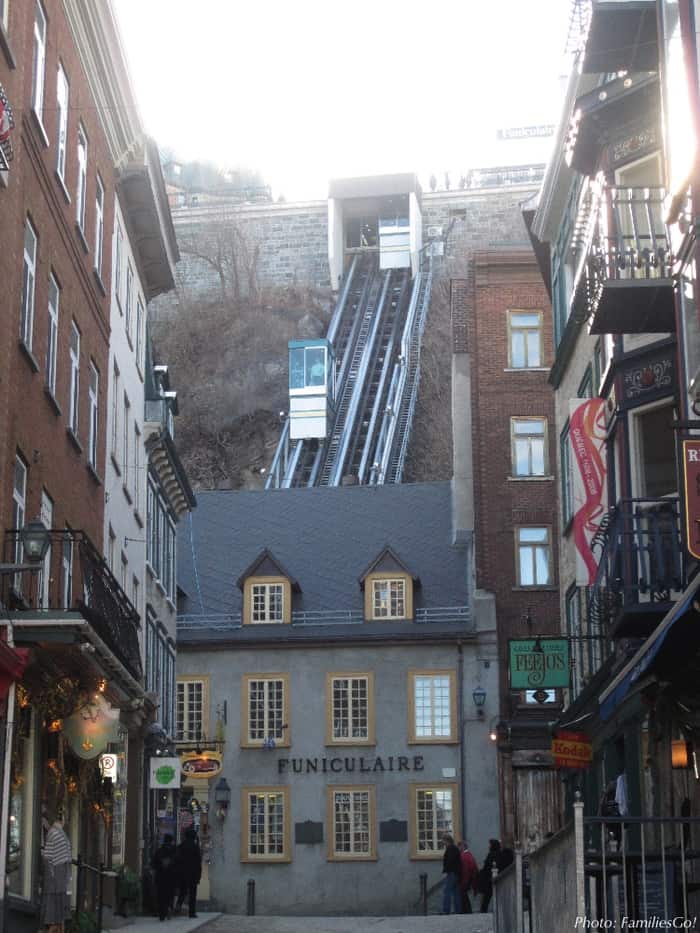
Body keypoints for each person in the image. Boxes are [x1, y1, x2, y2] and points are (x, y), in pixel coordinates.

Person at [41, 815, 72, 933]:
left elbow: (49, 856)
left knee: (59, 901)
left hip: (61, 872)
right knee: (57, 901)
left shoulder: (56, 833)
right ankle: (56, 926)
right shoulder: (56, 833)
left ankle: (58, 926)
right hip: (58, 871)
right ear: (62, 821)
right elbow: (48, 856)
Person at [174, 828, 202, 918]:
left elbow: (176, 860)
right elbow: (198, 862)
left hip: (182, 873)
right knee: (192, 894)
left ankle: (178, 905)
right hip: (193, 874)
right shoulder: (195, 847)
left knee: (183, 891)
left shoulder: (181, 846)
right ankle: (191, 912)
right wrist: (199, 875)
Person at [152, 833, 177, 921]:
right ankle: (169, 907)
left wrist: (160, 866)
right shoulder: (174, 852)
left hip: (161, 878)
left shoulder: (159, 851)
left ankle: (162, 914)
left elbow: (153, 864)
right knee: (170, 895)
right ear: (171, 841)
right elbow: (178, 864)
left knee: (161, 896)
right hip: (171, 878)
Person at [478, 838, 501, 912]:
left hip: (489, 878)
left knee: (487, 897)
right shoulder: (499, 853)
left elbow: (487, 866)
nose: (489, 846)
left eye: (490, 845)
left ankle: (483, 910)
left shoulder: (491, 854)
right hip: (494, 877)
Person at [441, 833, 461, 915]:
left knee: (447, 892)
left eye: (443, 841)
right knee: (456, 892)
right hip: (456, 873)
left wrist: (445, 871)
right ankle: (458, 910)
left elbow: (449, 861)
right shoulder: (455, 848)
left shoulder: (450, 848)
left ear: (447, 840)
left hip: (451, 873)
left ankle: (446, 910)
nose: (443, 843)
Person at [458, 840, 479, 914]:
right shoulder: (469, 855)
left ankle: (466, 911)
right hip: (470, 878)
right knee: (464, 895)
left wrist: (464, 881)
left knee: (463, 895)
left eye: (459, 847)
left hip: (466, 879)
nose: (459, 848)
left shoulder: (464, 856)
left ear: (463, 847)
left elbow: (466, 870)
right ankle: (466, 910)